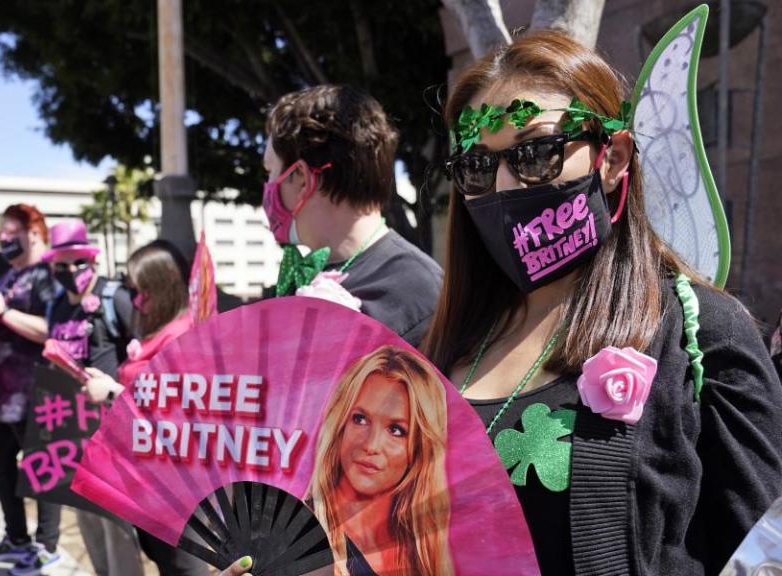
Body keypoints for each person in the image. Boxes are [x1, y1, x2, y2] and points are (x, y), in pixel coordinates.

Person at [422, 30, 782, 574]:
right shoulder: (435, 344)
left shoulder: (700, 330)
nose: (502, 186)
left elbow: (762, 553)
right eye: (476, 166)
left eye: (536, 153)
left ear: (611, 157)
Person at [263, 85, 442, 347]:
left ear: (302, 178)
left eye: (269, 171)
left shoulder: (421, 290)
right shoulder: (304, 276)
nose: (267, 185)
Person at [82, 239, 210, 576]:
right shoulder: (159, 331)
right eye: (131, 290)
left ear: (163, 287)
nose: (135, 300)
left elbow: (176, 409)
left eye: (141, 291)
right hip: (148, 482)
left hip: (179, 492)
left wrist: (111, 392)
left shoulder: (185, 334)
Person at [42, 219, 148, 576]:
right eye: (62, 264)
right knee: (87, 521)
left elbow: (147, 354)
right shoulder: (55, 305)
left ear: (93, 261)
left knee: (115, 525)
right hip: (71, 430)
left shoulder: (113, 297)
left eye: (78, 262)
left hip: (113, 434)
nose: (71, 271)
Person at [0, 204, 63, 575]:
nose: (3, 239)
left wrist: (5, 313)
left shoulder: (50, 274)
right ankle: (17, 537)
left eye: (10, 232)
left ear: (35, 232)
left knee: (40, 470)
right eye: (1, 234)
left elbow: (53, 330)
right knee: (0, 466)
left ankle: (45, 545)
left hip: (34, 390)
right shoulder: (9, 275)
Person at [304, 346, 450, 575]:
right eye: (360, 419)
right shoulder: (298, 533)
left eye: (396, 430)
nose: (371, 445)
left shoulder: (422, 555)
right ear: (340, 426)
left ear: (420, 449)